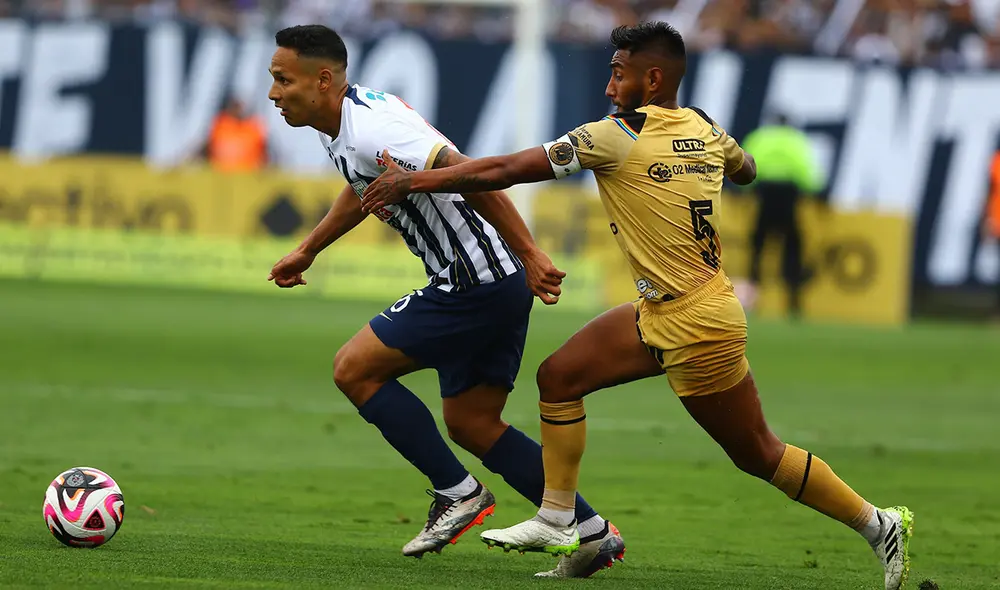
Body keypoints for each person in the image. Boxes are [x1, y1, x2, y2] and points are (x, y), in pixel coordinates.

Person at [361, 21, 913, 590]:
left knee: (758, 452)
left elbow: (504, 171)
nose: (608, 87)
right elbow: (745, 169)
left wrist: (416, 181)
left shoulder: (613, 136)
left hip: (697, 326)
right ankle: (558, 515)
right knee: (559, 377)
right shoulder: (703, 125)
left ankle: (878, 524)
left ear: (652, 79)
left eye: (618, 75)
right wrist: (706, 163)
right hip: (665, 308)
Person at [263, 25, 624, 577]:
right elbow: (364, 186)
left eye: (282, 79)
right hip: (492, 282)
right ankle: (594, 532)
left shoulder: (375, 126)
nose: (273, 93)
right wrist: (309, 249)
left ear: (323, 79)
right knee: (474, 423)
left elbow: (471, 172)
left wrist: (531, 252)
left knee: (354, 370)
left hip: (472, 282)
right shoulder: (340, 122)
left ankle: (458, 493)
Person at [740, 113, 823, 318]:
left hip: (765, 197)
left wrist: (745, 192)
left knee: (757, 250)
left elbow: (744, 166)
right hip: (788, 199)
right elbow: (808, 174)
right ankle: (793, 302)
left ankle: (751, 301)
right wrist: (815, 192)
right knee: (792, 250)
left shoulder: (760, 137)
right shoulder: (796, 140)